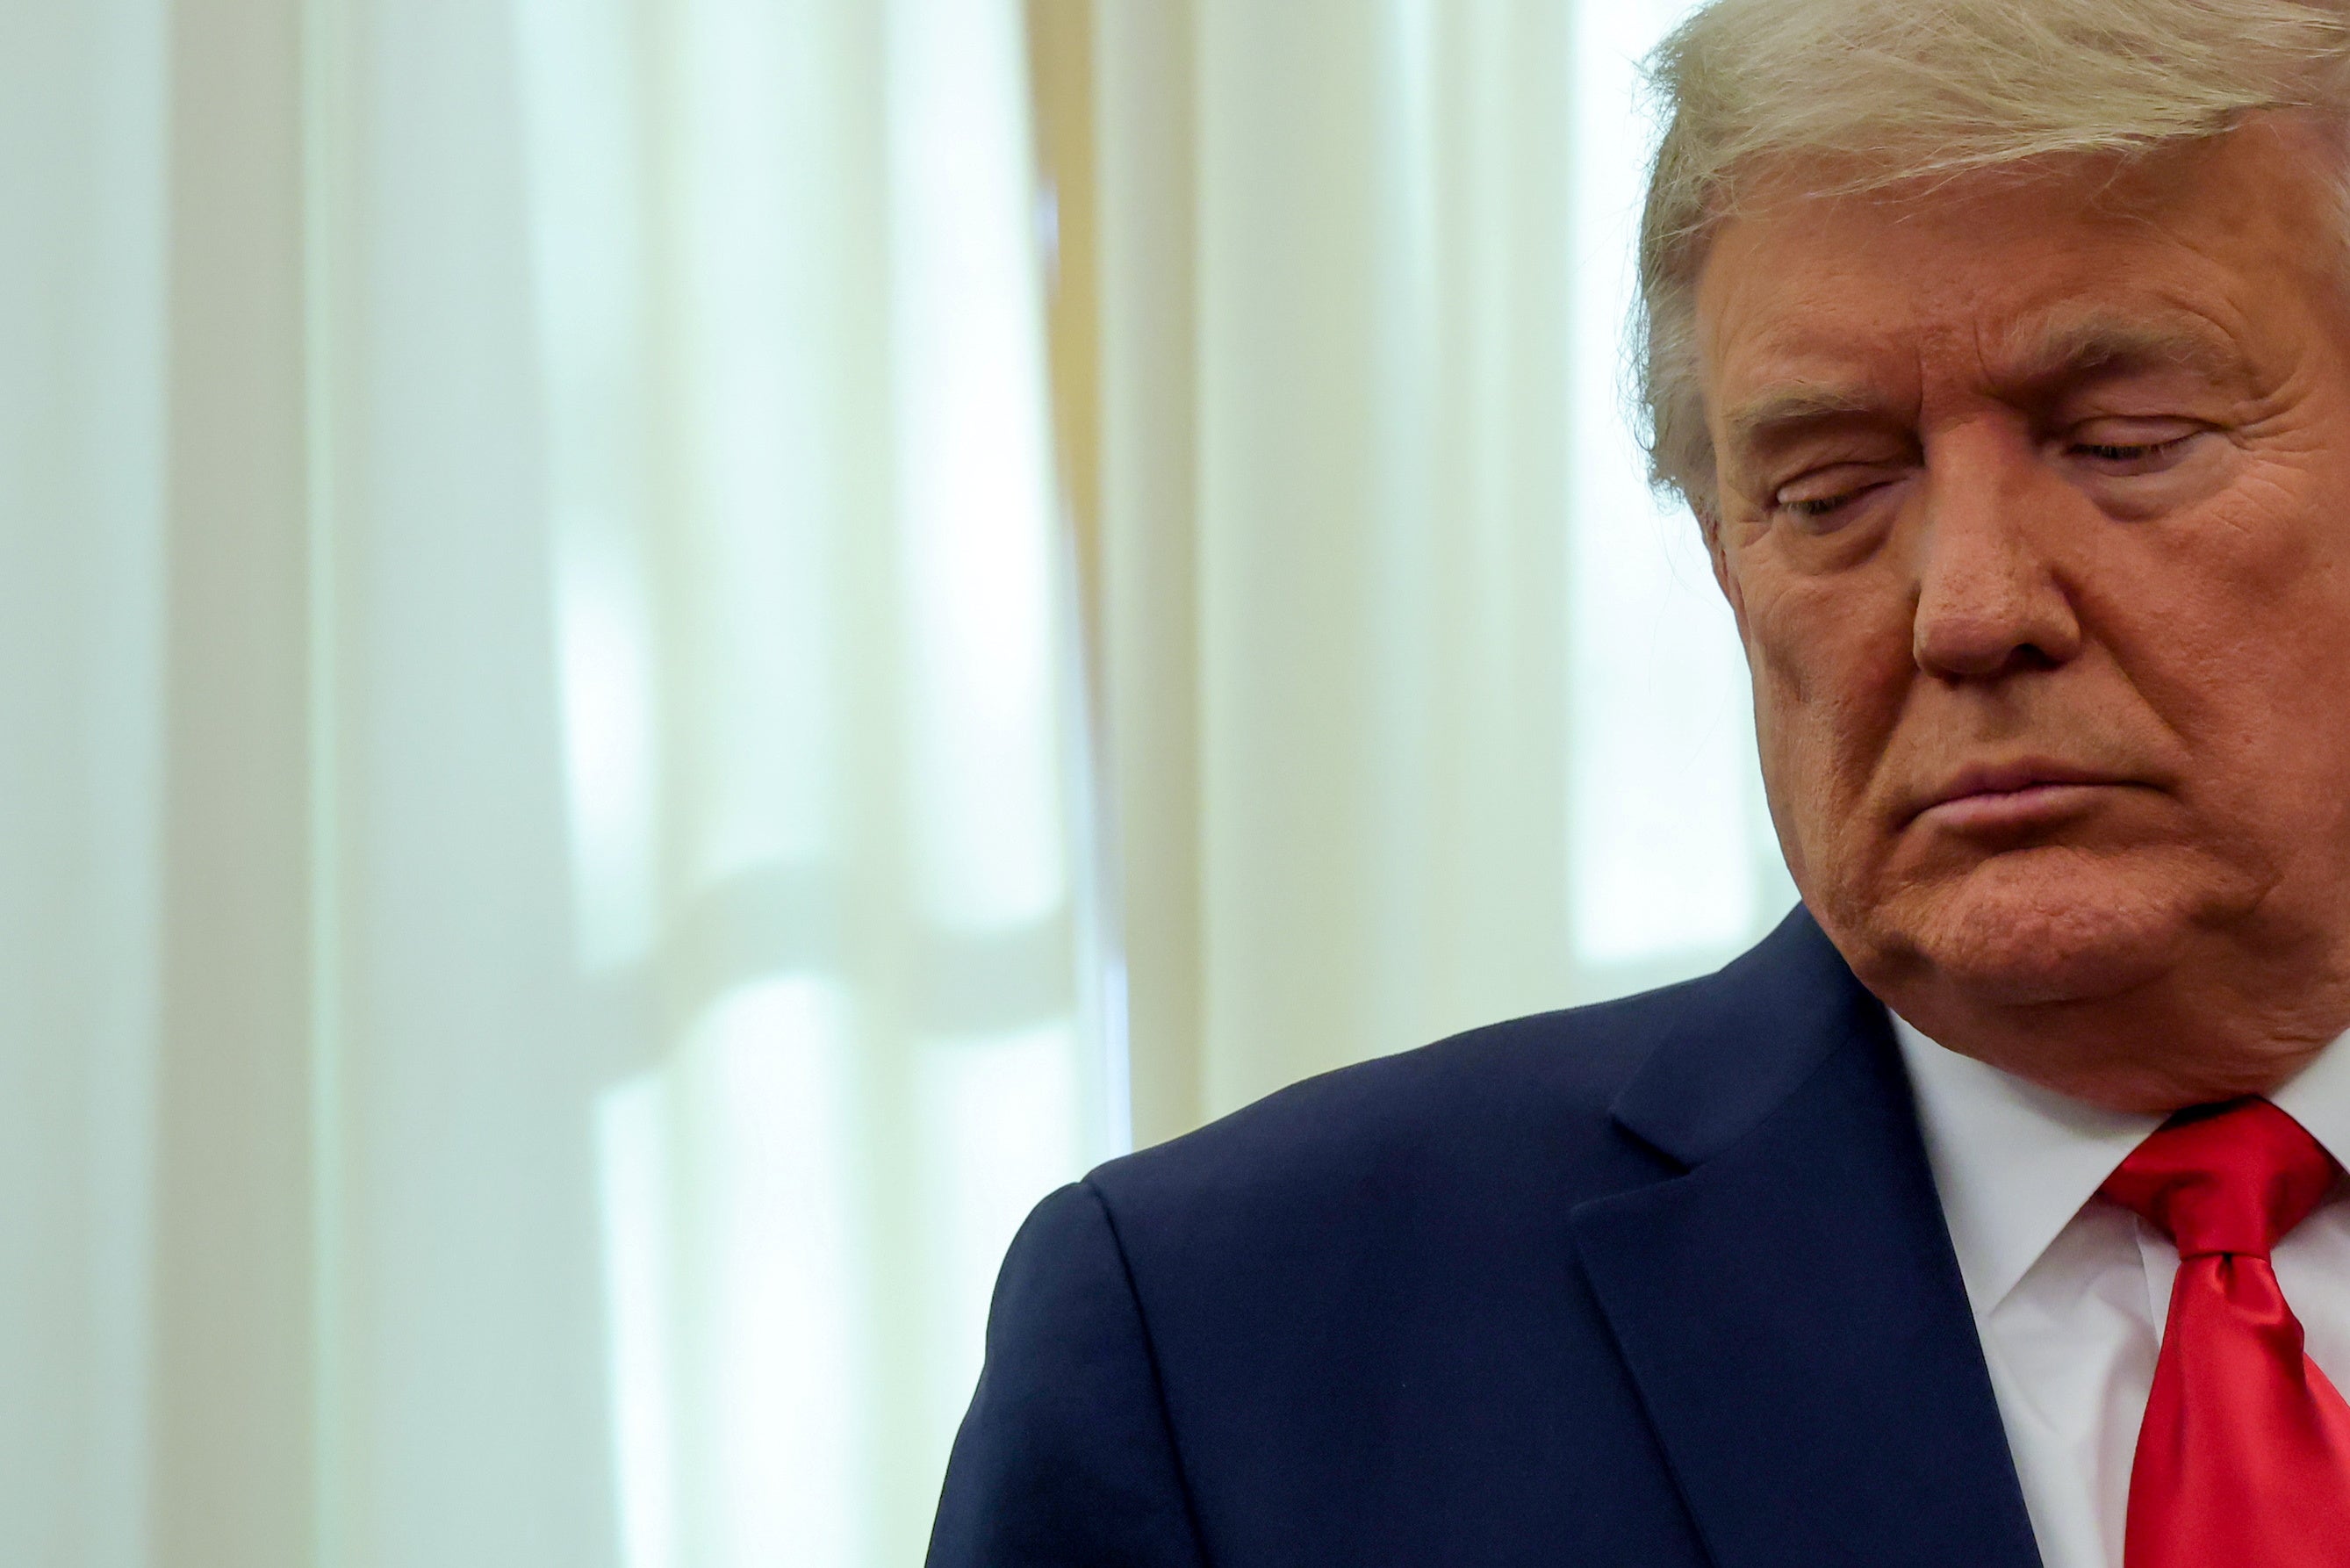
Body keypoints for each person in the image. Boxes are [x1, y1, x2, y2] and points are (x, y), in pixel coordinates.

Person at [926, 3, 2350, 1564]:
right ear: (1724, 559)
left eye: (2125, 440)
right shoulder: (1224, 1349)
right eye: (1826, 491)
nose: (1969, 606)